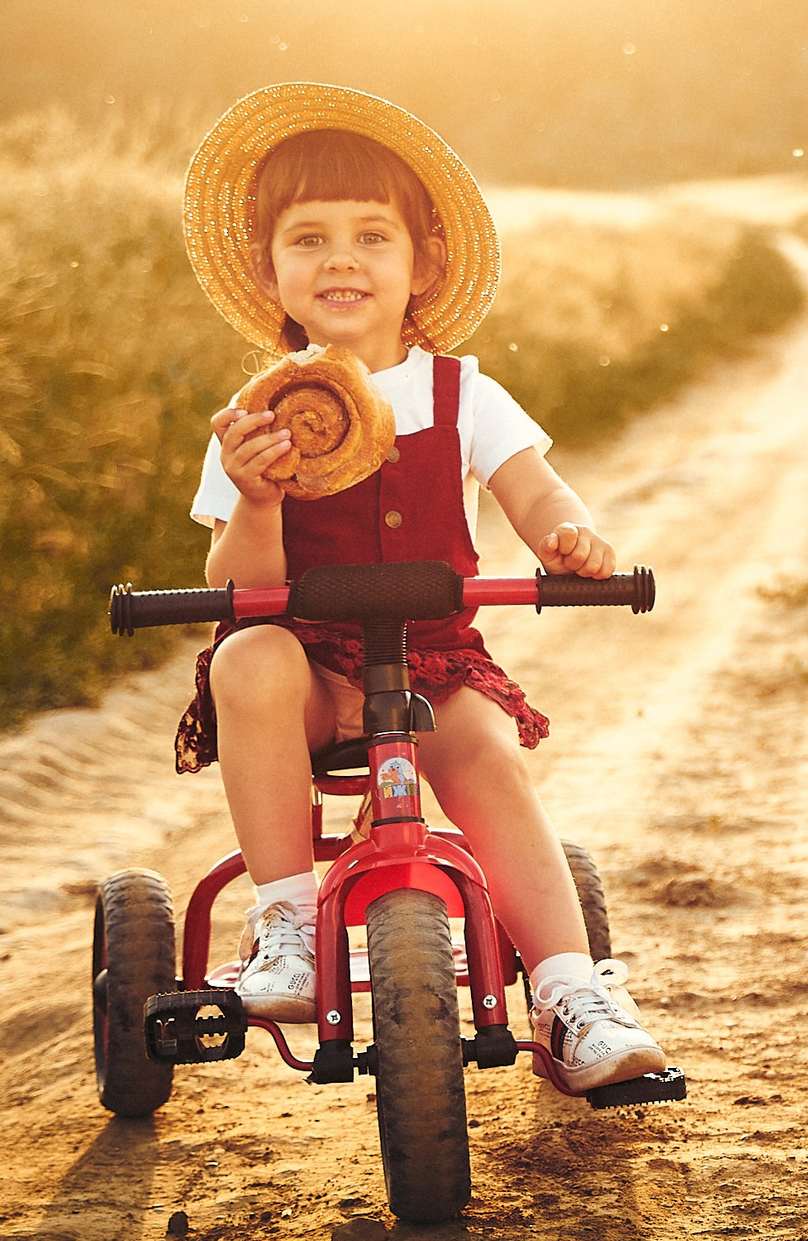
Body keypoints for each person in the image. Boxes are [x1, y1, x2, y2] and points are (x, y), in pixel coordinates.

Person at [172, 82, 667, 1093]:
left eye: (370, 236)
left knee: (484, 752)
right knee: (248, 653)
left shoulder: (462, 392)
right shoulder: (256, 415)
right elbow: (235, 587)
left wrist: (570, 540)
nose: (341, 259)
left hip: (434, 660)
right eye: (308, 239)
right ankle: (289, 926)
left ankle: (573, 993)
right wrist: (259, 500)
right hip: (307, 664)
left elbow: (534, 490)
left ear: (420, 263)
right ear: (272, 268)